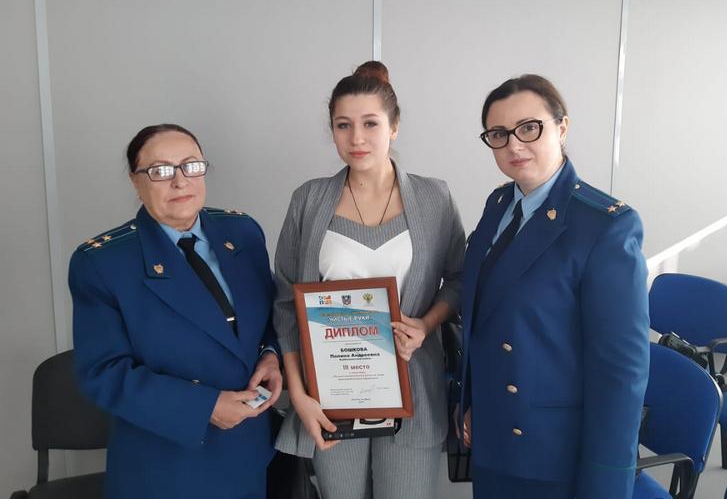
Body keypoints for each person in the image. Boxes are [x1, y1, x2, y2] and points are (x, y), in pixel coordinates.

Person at [272, 61, 465, 499]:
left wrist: (426, 324)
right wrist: (299, 395)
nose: (356, 138)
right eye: (343, 125)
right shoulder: (309, 199)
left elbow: (459, 279)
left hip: (414, 386)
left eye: (370, 124)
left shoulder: (434, 197)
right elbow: (286, 303)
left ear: (394, 127)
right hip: (330, 391)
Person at [459, 75, 650, 499]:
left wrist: (607, 480)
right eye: (498, 134)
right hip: (494, 436)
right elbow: (484, 320)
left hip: (553, 452)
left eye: (529, 128)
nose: (514, 145)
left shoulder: (605, 226)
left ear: (562, 128)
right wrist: (472, 403)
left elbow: (621, 372)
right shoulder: (498, 205)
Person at [69, 124, 282, 499]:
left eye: (191, 165)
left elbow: (268, 317)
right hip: (166, 463)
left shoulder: (243, 233)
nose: (180, 181)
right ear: (136, 181)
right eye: (160, 171)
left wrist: (271, 355)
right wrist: (204, 407)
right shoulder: (104, 262)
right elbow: (103, 373)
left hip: (249, 452)